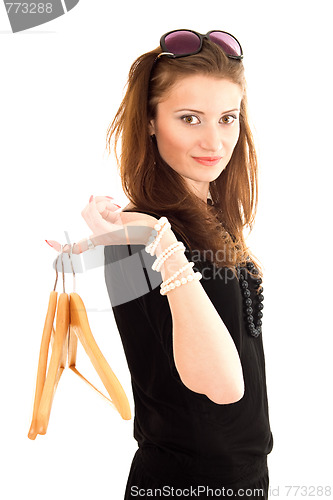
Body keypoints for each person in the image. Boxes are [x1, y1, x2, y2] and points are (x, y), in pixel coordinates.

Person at [48, 30, 273, 499]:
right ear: (150, 121)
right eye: (189, 118)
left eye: (227, 118)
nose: (215, 140)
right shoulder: (137, 236)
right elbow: (223, 385)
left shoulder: (208, 216)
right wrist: (154, 235)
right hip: (185, 483)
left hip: (244, 477)